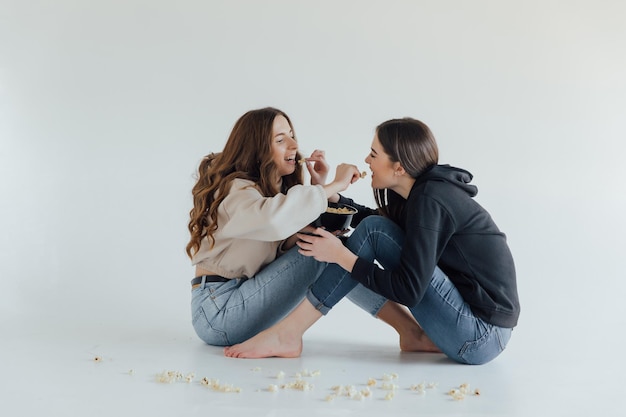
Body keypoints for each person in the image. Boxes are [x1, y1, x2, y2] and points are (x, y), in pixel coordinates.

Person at [224, 117, 521, 365]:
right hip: (473, 328)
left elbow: (408, 289)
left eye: (374, 154)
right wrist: (329, 192)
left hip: (480, 336)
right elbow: (377, 226)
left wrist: (341, 255)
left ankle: (288, 333)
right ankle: (293, 333)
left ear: (399, 168)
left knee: (375, 231)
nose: (366, 160)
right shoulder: (422, 194)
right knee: (376, 229)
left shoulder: (431, 200)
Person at [186, 107, 422, 348]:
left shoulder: (266, 193)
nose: (293, 145)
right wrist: (334, 185)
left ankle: (411, 331)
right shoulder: (235, 190)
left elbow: (274, 235)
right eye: (280, 139)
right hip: (218, 312)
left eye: (291, 135)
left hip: (244, 299)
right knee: (325, 250)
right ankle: (410, 331)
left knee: (326, 246)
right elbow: (273, 219)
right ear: (257, 150)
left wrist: (312, 208)